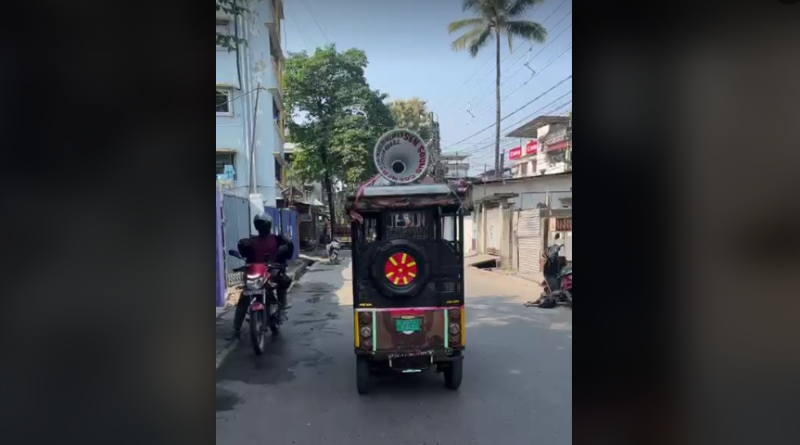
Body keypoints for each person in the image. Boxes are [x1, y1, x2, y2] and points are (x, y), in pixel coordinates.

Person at [227, 213, 294, 341]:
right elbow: (243, 253)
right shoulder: (252, 241)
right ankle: (236, 329)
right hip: (255, 273)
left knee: (283, 282)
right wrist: (241, 244)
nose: (261, 227)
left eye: (264, 224)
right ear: (256, 226)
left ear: (268, 225)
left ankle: (281, 310)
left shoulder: (277, 239)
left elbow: (289, 252)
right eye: (259, 224)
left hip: (273, 271)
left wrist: (288, 244)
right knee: (244, 297)